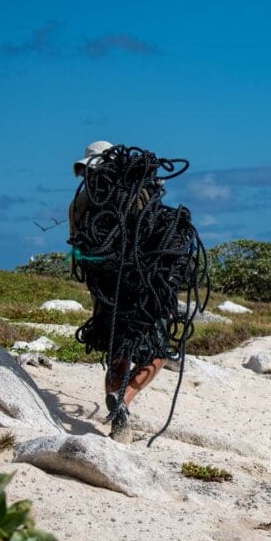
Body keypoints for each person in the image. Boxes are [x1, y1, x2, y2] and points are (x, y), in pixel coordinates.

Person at [68, 141, 207, 443]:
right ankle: (124, 401)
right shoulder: (137, 194)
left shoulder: (79, 204)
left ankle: (116, 399)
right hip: (145, 288)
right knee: (158, 353)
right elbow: (157, 235)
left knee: (117, 349)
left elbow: (78, 247)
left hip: (104, 288)